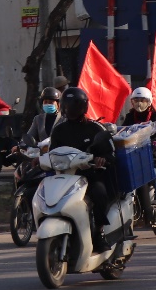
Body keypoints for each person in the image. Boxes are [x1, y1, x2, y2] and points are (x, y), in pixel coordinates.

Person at [47, 87, 122, 251]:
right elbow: (52, 152)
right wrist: (39, 160)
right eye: (65, 105)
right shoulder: (59, 130)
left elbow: (111, 154)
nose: (68, 109)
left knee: (99, 192)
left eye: (71, 105)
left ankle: (99, 232)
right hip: (65, 177)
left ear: (82, 107)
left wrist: (102, 159)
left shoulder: (95, 129)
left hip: (90, 176)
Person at [122, 86, 156, 212]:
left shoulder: (155, 116)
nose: (139, 103)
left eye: (142, 100)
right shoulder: (129, 117)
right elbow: (123, 131)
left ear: (149, 102)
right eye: (136, 100)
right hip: (133, 153)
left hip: (152, 153)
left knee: (154, 172)